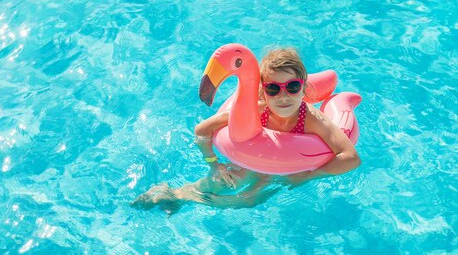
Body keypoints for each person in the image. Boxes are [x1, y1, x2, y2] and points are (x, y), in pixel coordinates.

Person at [131, 48, 361, 216]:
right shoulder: (257, 110)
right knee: (221, 182)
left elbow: (350, 157)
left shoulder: (310, 118)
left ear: (303, 88)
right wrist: (214, 164)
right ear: (262, 93)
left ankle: (181, 199)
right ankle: (173, 194)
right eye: (273, 88)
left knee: (250, 200)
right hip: (251, 160)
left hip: (283, 168)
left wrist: (308, 175)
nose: (283, 96)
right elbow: (202, 129)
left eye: (292, 87)